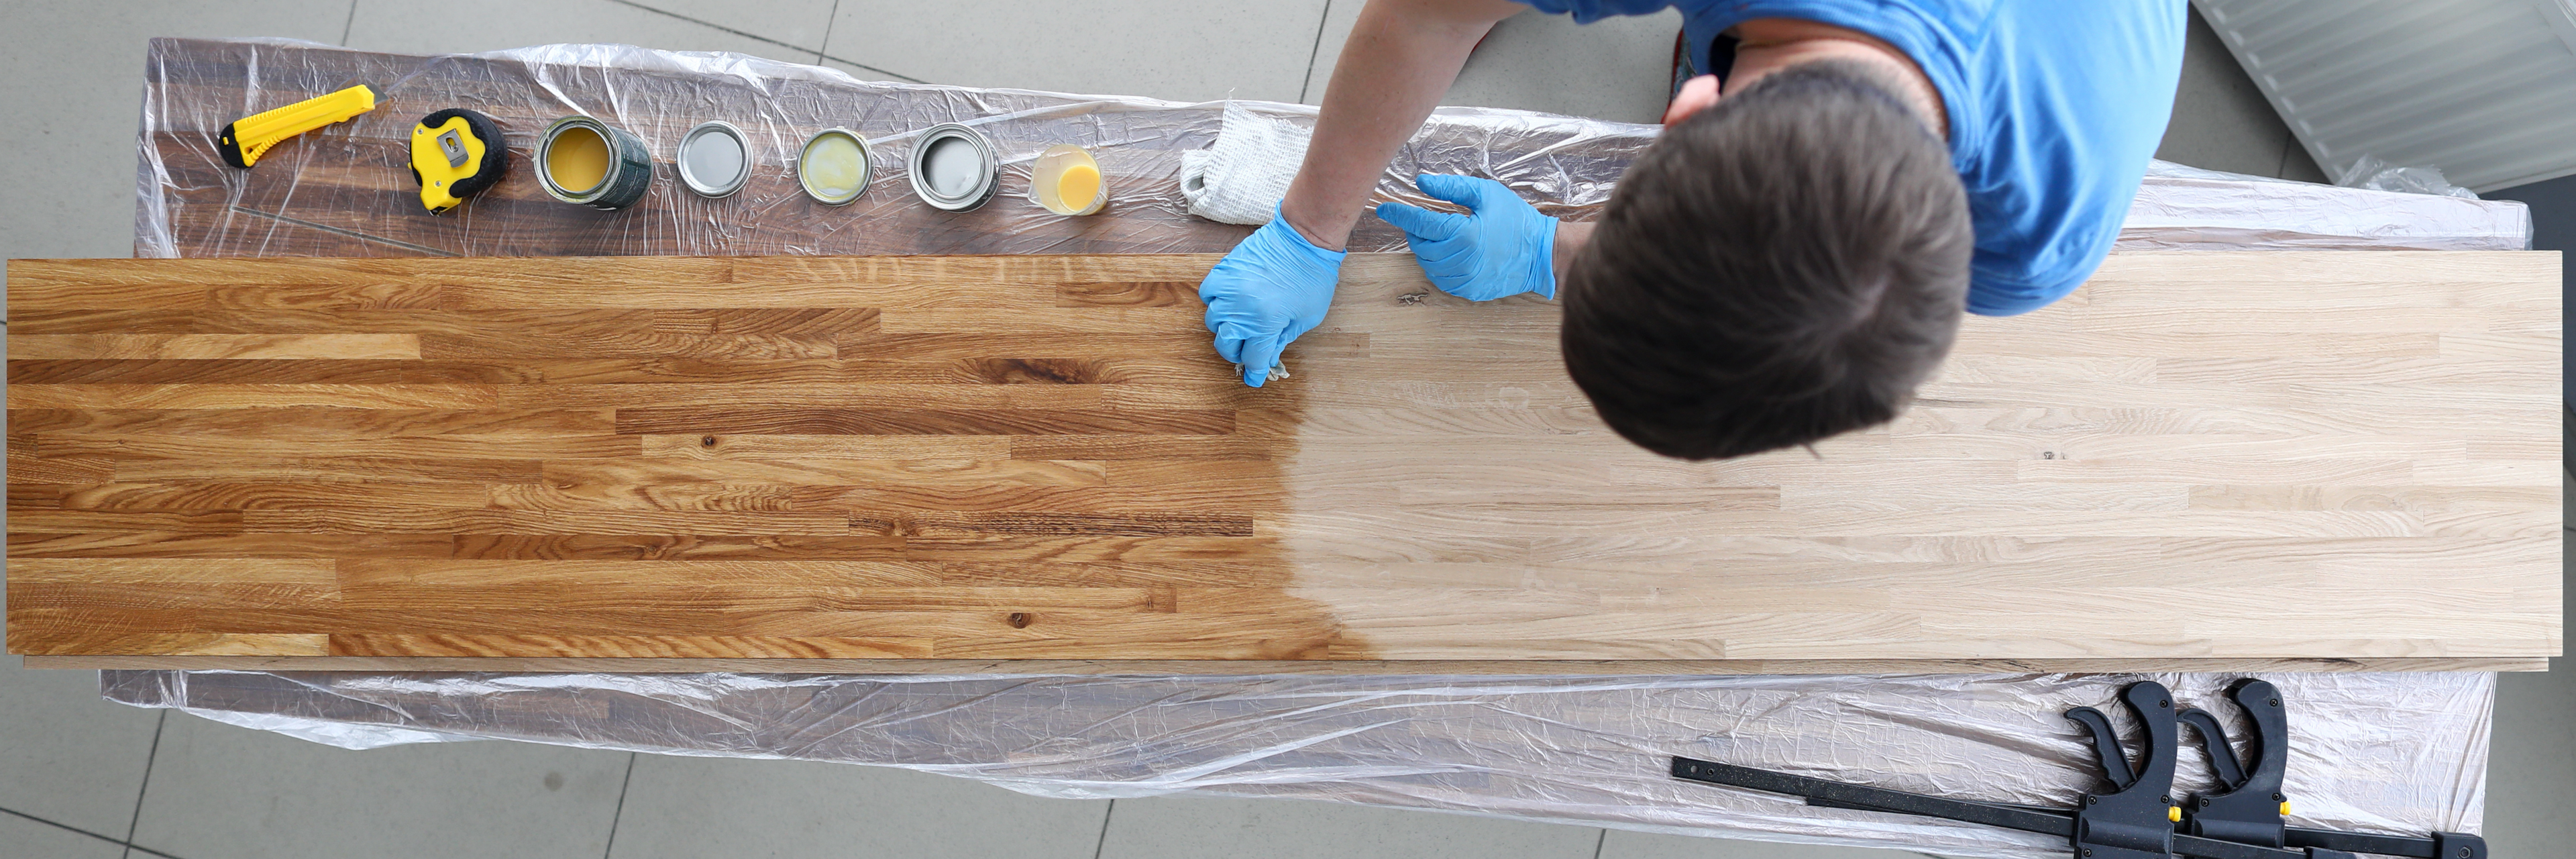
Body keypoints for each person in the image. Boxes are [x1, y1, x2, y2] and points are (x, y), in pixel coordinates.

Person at [1197, 0, 2186, 460]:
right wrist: (1310, 228)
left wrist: (1553, 254)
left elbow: (1809, 290)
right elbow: (1422, 15)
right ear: (1686, 109)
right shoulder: (2039, 221)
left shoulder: (2036, 236)